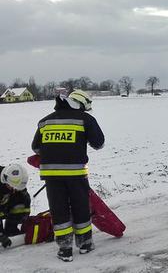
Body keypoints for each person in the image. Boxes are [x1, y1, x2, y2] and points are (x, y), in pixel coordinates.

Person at [31, 90, 105, 262]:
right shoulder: (86, 119)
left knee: (59, 210)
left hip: (51, 175)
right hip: (76, 174)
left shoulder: (44, 121)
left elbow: (36, 148)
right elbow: (99, 143)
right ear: (82, 104)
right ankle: (85, 243)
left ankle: (65, 249)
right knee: (80, 207)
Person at [0, 163, 31, 249]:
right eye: (12, 187)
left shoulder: (13, 179)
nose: (14, 190)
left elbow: (25, 200)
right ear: (5, 180)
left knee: (21, 202)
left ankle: (11, 229)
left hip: (3, 204)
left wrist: (24, 218)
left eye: (16, 188)